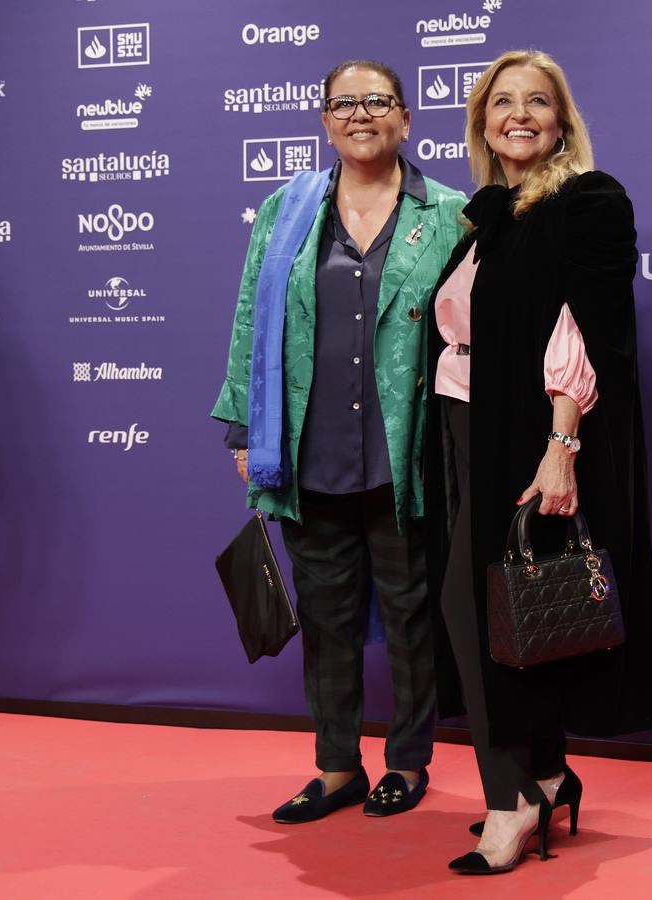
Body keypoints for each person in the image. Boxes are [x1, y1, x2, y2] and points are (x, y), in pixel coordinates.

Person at [425, 49, 652, 874]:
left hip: (528, 437)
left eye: (538, 101)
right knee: (507, 610)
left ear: (562, 119)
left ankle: (512, 803)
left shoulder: (588, 202)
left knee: (480, 613)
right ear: (482, 120)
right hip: (464, 431)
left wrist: (560, 447)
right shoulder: (488, 215)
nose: (518, 114)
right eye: (502, 102)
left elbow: (588, 333)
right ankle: (549, 771)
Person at [212, 59, 467, 823]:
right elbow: (251, 321)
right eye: (344, 103)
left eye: (378, 101)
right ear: (325, 119)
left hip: (407, 454)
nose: (362, 115)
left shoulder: (451, 213)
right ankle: (334, 766)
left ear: (406, 117)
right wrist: (243, 430)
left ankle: (408, 762)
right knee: (325, 618)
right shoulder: (285, 212)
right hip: (308, 452)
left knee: (413, 611)